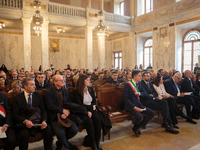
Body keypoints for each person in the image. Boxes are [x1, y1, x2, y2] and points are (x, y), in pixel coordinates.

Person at [13, 78, 52, 150]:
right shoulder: (17, 98)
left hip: (38, 121)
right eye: (32, 85)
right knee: (24, 134)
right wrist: (25, 121)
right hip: (25, 123)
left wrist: (44, 120)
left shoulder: (38, 95)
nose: (35, 86)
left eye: (34, 84)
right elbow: (16, 114)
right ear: (25, 86)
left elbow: (43, 110)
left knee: (48, 129)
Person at [45, 75, 79, 150]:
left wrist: (66, 112)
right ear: (54, 82)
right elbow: (49, 106)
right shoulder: (49, 92)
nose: (63, 81)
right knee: (60, 133)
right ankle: (69, 146)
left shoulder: (65, 92)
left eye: (63, 80)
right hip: (54, 117)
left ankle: (60, 143)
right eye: (61, 80)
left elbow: (69, 104)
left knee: (74, 129)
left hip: (65, 116)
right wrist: (62, 110)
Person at [73, 75, 102, 150]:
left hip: (92, 109)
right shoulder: (77, 91)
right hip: (83, 111)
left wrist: (93, 107)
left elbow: (94, 100)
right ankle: (93, 143)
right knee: (90, 122)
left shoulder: (90, 89)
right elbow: (79, 105)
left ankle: (97, 141)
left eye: (89, 80)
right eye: (87, 80)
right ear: (83, 81)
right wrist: (89, 109)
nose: (89, 81)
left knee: (98, 120)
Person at [124, 70, 155, 137]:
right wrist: (135, 108)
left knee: (152, 113)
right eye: (139, 75)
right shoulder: (128, 85)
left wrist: (139, 93)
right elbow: (126, 99)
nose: (141, 77)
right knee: (139, 116)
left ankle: (138, 126)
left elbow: (145, 93)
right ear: (134, 76)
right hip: (130, 106)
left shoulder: (139, 84)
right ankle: (136, 128)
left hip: (138, 104)